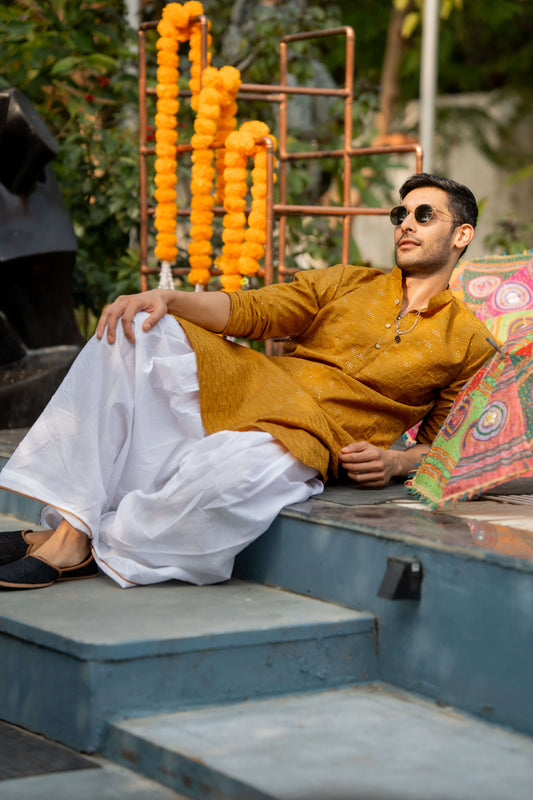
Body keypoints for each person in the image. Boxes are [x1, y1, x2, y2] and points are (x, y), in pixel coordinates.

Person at [0, 173, 494, 590]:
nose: (406, 224)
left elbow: (447, 446)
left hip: (313, 435)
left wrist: (394, 462)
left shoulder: (469, 341)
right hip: (253, 383)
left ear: (461, 235)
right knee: (134, 327)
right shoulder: (351, 282)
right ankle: (71, 530)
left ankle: (83, 538)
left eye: (423, 216)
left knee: (222, 479)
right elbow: (255, 310)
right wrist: (165, 299)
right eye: (400, 215)